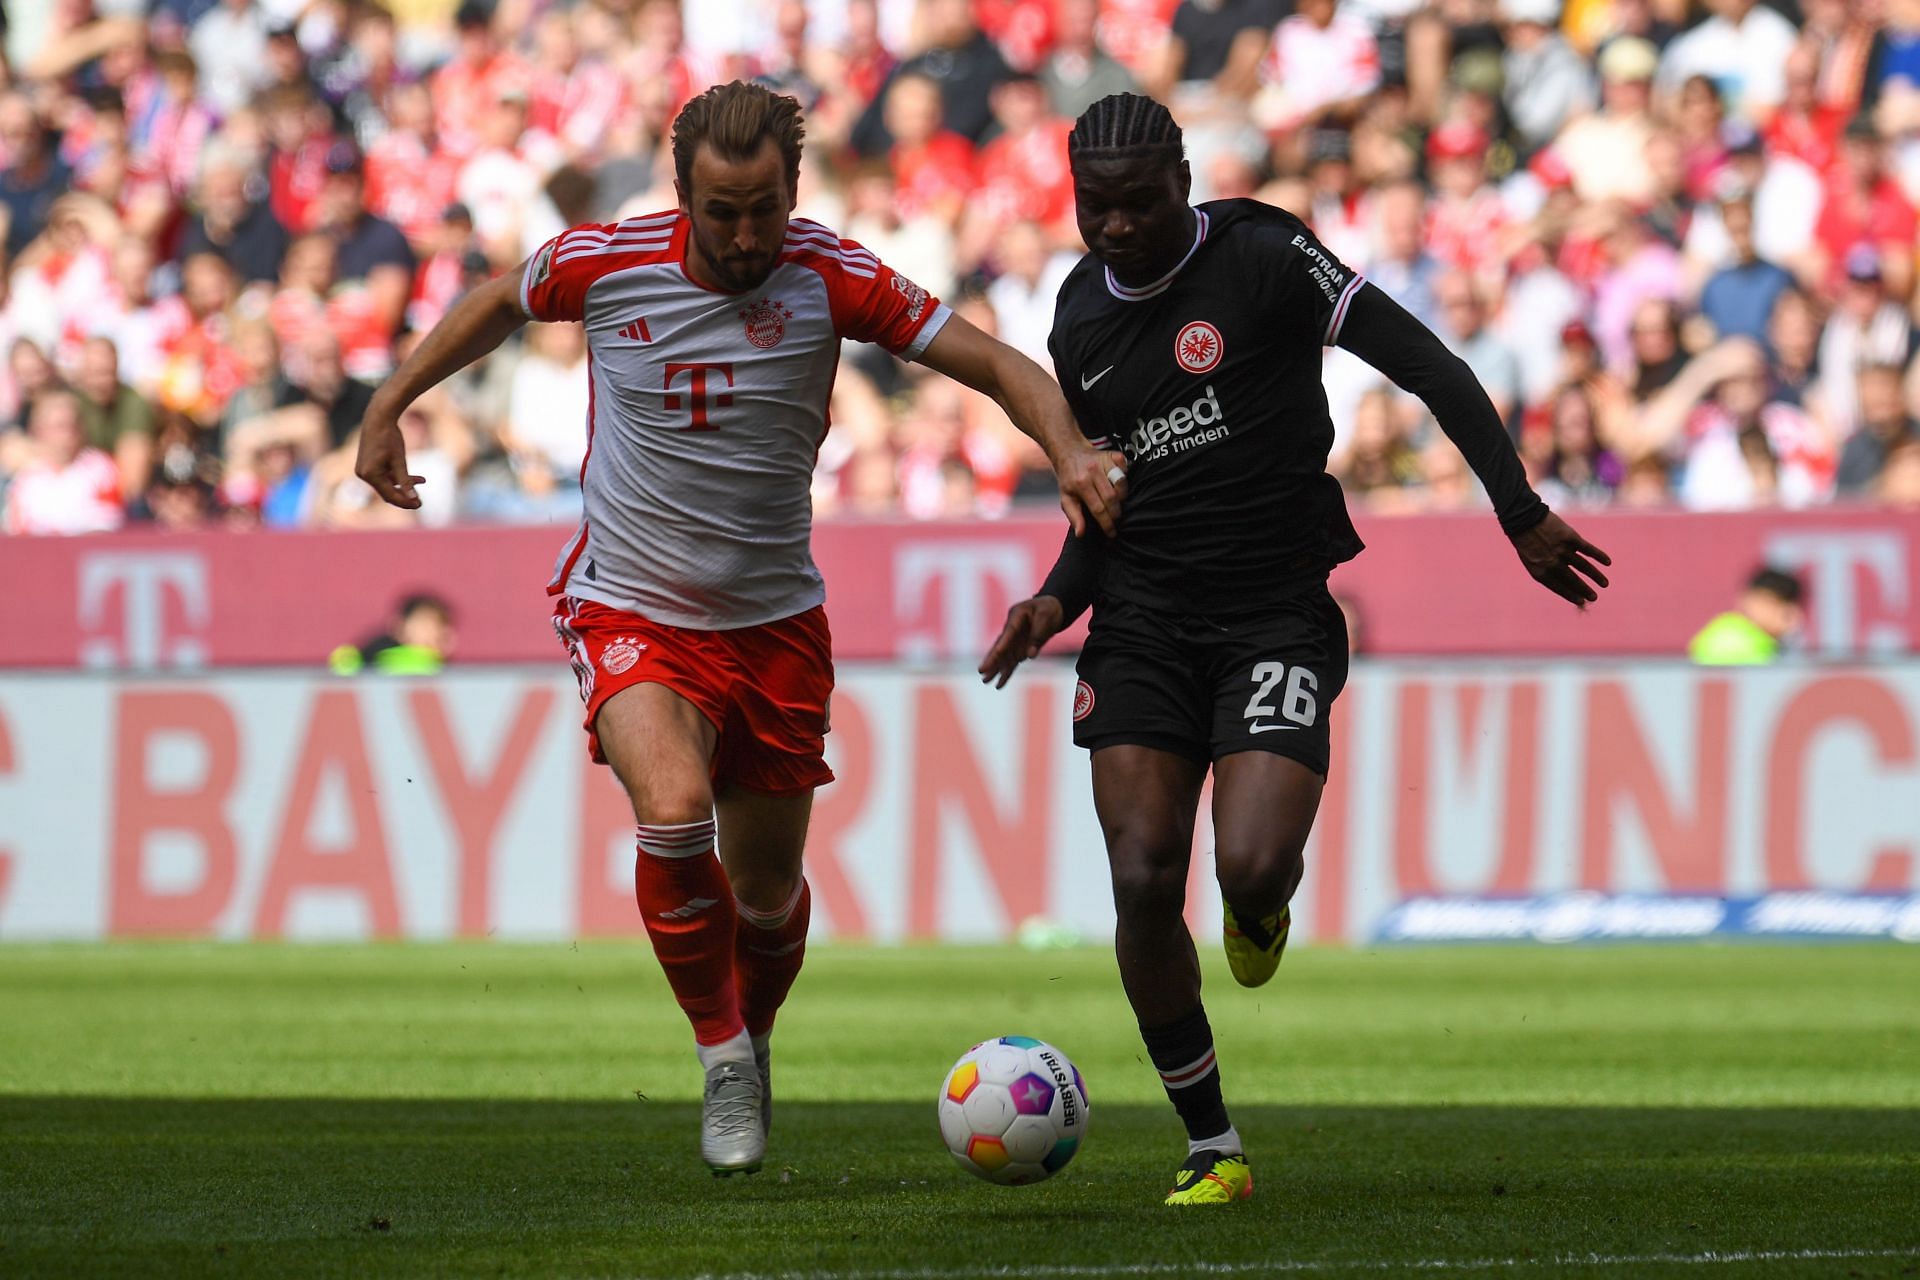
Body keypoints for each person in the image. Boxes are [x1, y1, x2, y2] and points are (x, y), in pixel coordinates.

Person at [354, 81, 1123, 1177]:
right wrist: (388, 404)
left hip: (774, 625)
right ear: (682, 196)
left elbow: (998, 365)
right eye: (723, 210)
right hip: (630, 604)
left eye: (765, 205)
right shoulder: (604, 261)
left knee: (764, 896)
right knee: (671, 814)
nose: (748, 232)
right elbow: (495, 299)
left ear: (792, 190)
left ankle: (753, 1034)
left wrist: (1070, 449)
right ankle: (721, 1054)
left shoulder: (831, 273)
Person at [977, 94, 1610, 1207]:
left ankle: (1259, 904)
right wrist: (1051, 598)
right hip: (1144, 621)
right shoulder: (1078, 318)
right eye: (1095, 207)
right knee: (1139, 874)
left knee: (1250, 866)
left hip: (1274, 610)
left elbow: (1426, 362)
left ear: (1183, 183)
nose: (1115, 228)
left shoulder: (1266, 256)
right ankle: (1213, 1145)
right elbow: (1104, 499)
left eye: (1137, 204)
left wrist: (1517, 509)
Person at [1689, 566, 1804, 664]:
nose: (1788, 613)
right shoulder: (1730, 638)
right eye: (1775, 603)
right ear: (1748, 600)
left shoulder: (1771, 642)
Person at [329, 593, 458, 675]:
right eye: (424, 623)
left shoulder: (440, 668)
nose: (431, 632)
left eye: (437, 625)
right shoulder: (378, 652)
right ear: (399, 625)